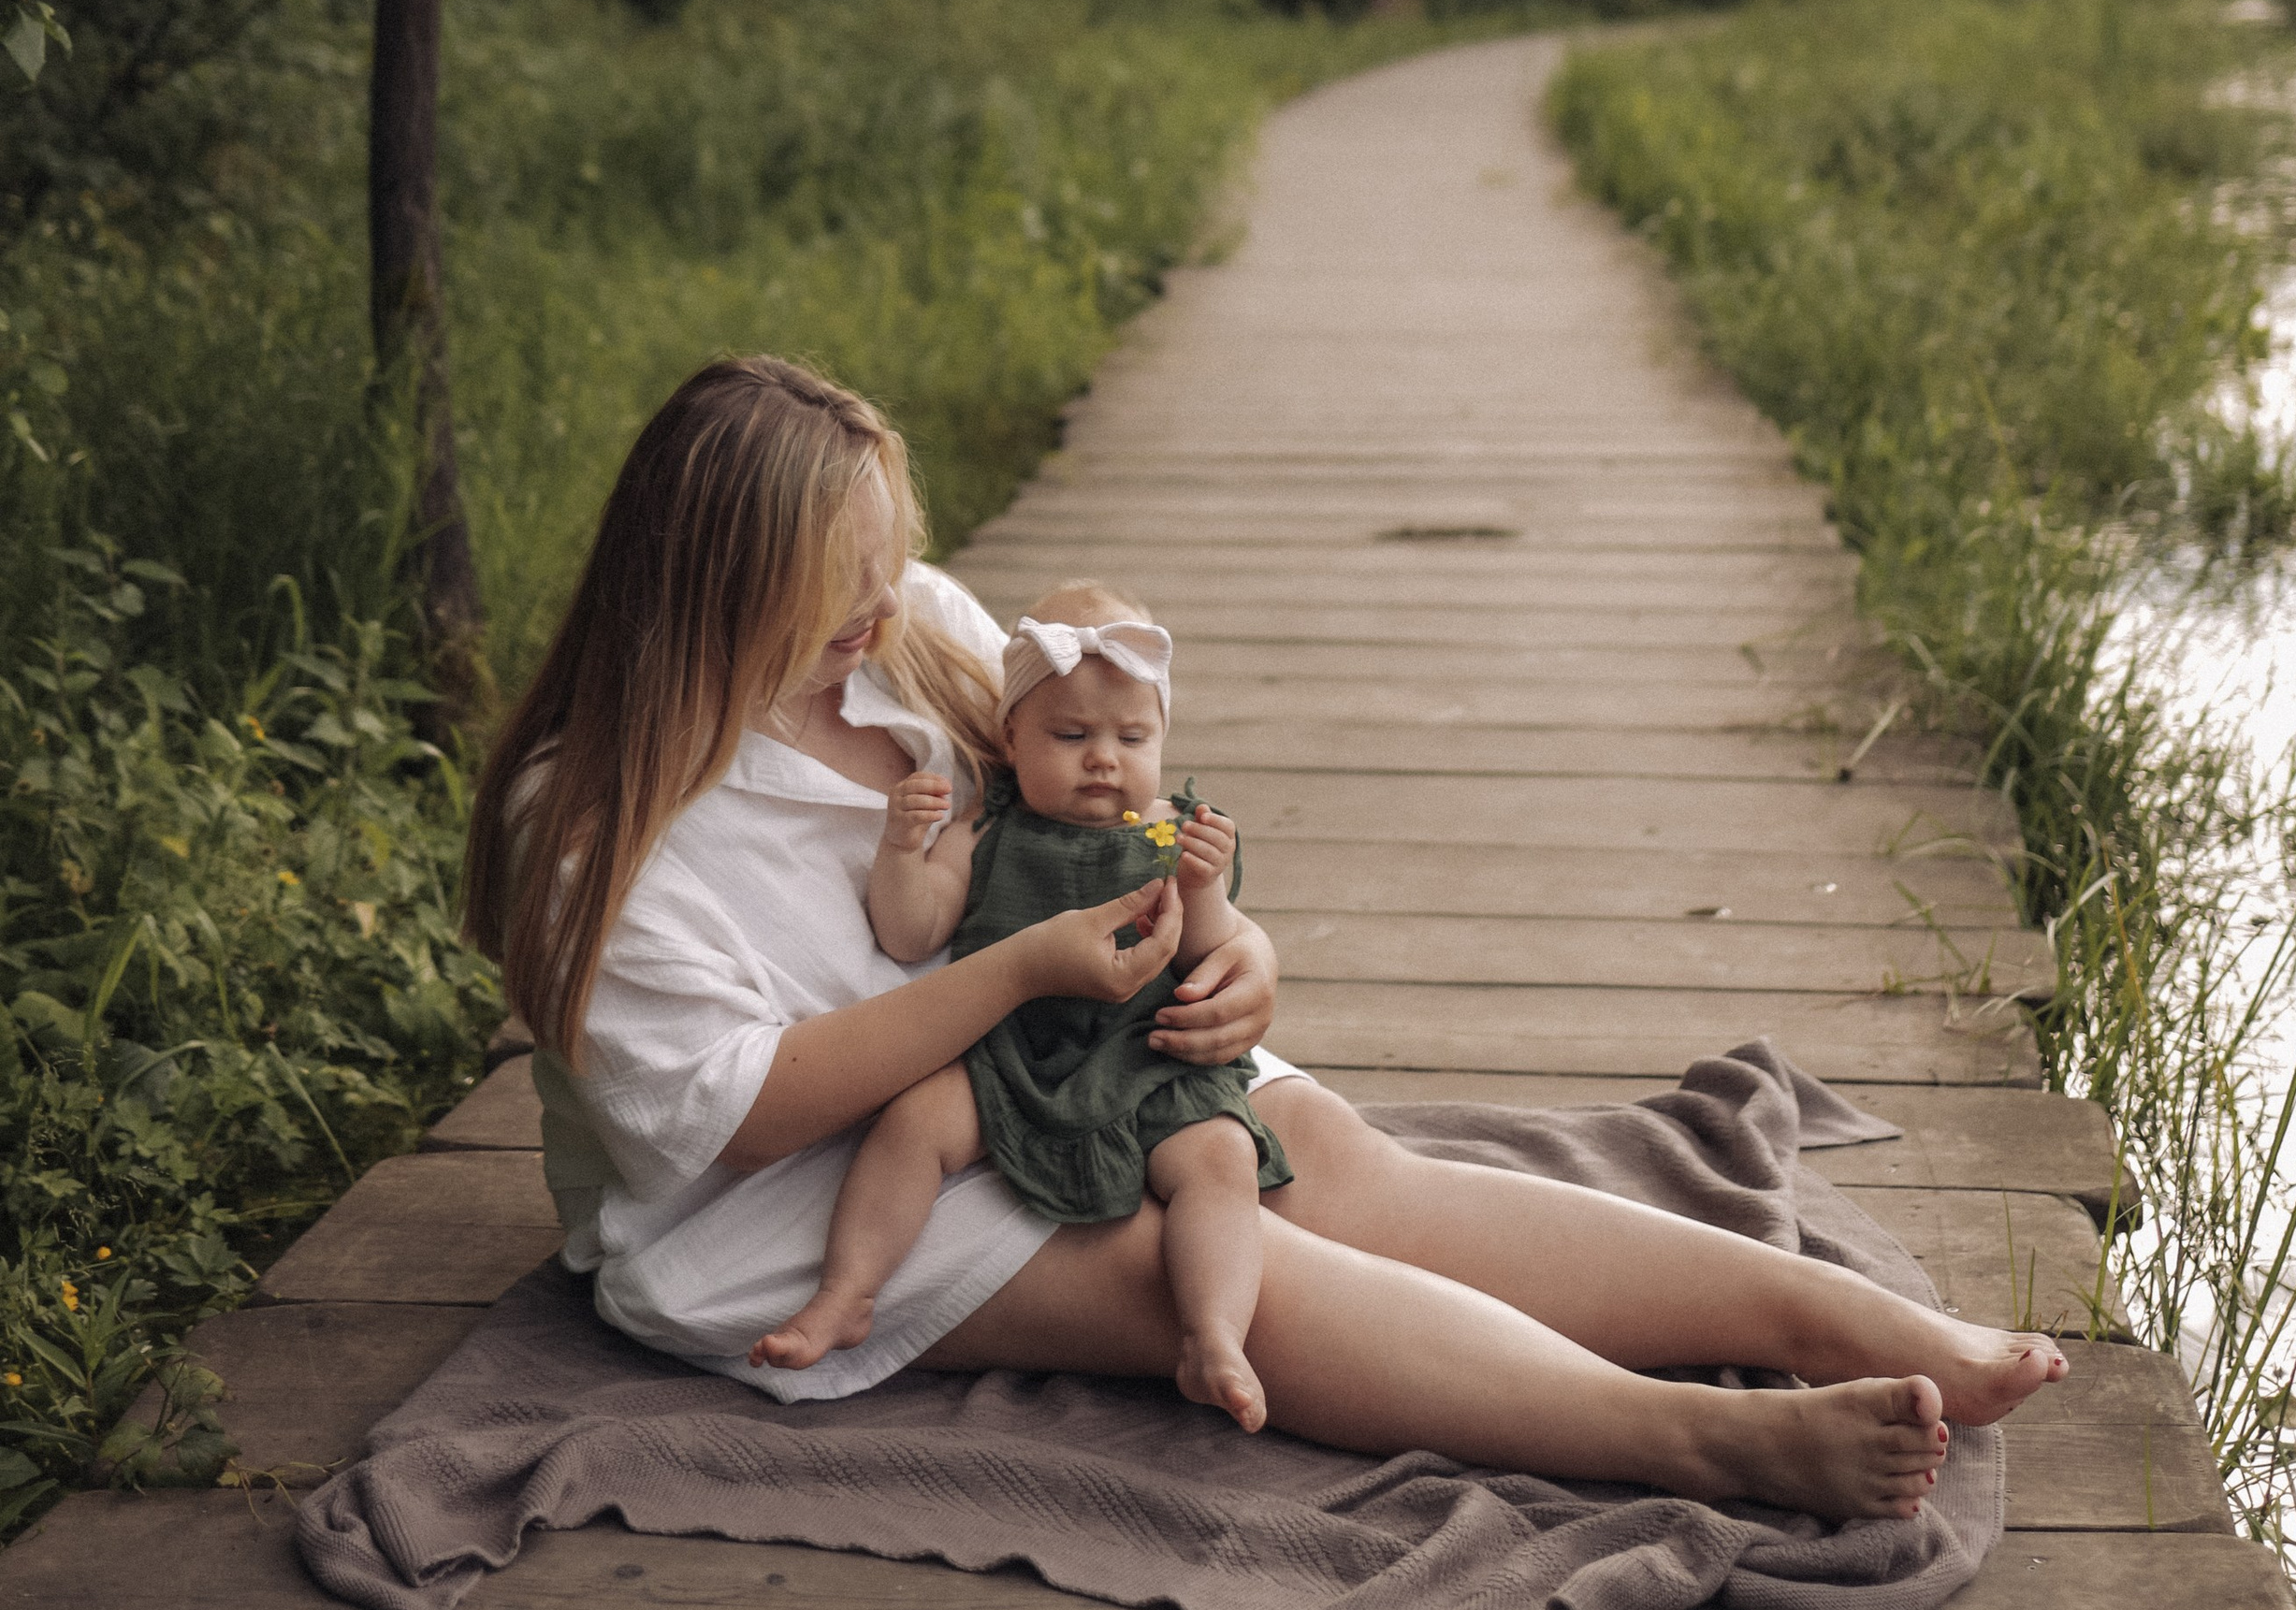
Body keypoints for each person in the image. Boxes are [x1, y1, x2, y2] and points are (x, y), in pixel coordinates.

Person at [462, 353, 2067, 1526]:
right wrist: (1017, 972)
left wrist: (1241, 955)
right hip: (805, 1187)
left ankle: (1821, 1320)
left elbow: (1091, 807)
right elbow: (727, 1112)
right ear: (710, 593)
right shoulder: (595, 821)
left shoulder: (911, 635)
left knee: (1341, 1161)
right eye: (836, 596)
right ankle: (1696, 1441)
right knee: (1215, 1270)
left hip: (1061, 1036)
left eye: (888, 570)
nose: (885, 616)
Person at [748, 582, 1286, 1429]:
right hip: (1007, 1045)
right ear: (1011, 737)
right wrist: (900, 850)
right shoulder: (988, 827)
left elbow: (1205, 947)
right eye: (1070, 736)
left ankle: (1213, 1332)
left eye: (1131, 737)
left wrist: (1204, 887)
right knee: (915, 1125)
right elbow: (910, 931)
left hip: (1144, 1052)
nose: (1103, 759)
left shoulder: (1169, 832)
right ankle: (845, 1296)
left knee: (1221, 1160)